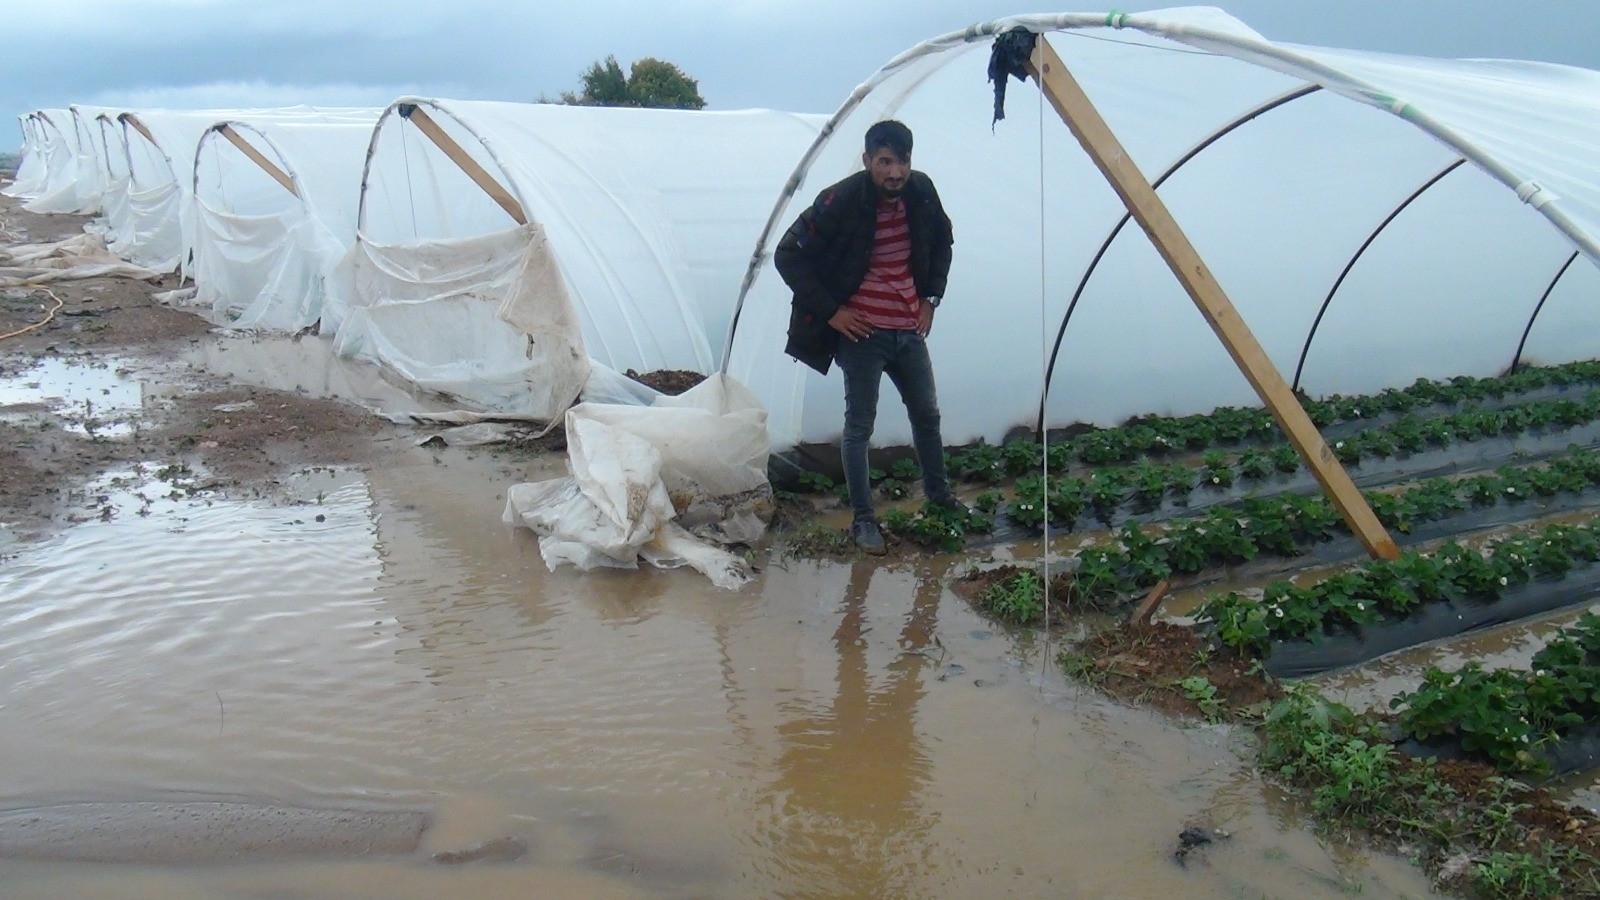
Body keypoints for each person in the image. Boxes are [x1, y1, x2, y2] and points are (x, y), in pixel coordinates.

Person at [774, 119, 963, 555]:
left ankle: (940, 496)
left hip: (908, 329)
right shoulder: (840, 200)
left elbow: (944, 241)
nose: (895, 172)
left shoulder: (922, 192)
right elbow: (789, 255)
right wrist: (833, 312)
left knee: (927, 416)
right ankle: (864, 521)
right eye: (885, 162)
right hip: (862, 334)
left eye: (902, 162)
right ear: (868, 161)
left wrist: (930, 297)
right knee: (859, 428)